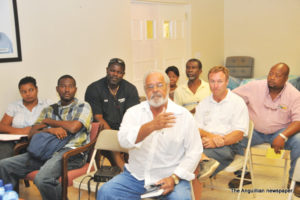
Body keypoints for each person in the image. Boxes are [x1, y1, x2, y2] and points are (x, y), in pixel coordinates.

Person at [97, 70, 203, 200]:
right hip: (136, 177)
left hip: (170, 177)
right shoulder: (133, 113)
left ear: (168, 87)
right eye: (150, 87)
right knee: (105, 192)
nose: (155, 90)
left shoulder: (183, 116)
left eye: (159, 85)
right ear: (145, 91)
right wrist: (151, 126)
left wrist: (174, 178)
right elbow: (123, 141)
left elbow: (195, 151)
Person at [0, 75, 93, 200]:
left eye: (70, 86)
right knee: (4, 165)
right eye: (63, 86)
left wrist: (50, 121)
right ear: (57, 89)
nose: (66, 89)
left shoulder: (83, 106)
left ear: (75, 89)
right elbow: (32, 133)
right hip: (45, 151)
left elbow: (73, 127)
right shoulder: (49, 109)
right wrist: (51, 130)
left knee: (43, 179)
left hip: (70, 153)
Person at [231, 63, 300, 196]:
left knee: (299, 141)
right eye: (270, 74)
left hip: (280, 132)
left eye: (278, 75)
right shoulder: (254, 86)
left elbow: (298, 120)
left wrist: (283, 136)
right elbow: (231, 98)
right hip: (254, 131)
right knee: (233, 137)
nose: (272, 78)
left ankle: (295, 180)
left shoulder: (295, 95)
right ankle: (243, 172)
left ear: (286, 79)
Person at [194, 66, 249, 179]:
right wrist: (212, 138)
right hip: (205, 142)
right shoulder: (203, 103)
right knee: (182, 154)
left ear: (227, 82)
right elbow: (196, 129)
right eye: (212, 81)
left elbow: (239, 133)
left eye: (220, 81)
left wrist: (219, 142)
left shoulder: (237, 102)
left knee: (193, 163)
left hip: (229, 145)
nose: (215, 85)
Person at [85, 58, 139, 169]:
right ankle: (124, 171)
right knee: (115, 150)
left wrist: (124, 136)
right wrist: (115, 138)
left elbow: (132, 117)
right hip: (103, 132)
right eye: (112, 70)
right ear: (107, 70)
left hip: (125, 130)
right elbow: (97, 117)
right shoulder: (94, 88)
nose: (115, 74)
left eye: (119, 72)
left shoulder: (130, 89)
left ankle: (133, 172)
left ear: (123, 74)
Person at [0, 76, 52, 160]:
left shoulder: (47, 104)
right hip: (14, 142)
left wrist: (32, 131)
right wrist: (21, 131)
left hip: (39, 141)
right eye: (23, 91)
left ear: (37, 89)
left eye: (31, 90)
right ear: (20, 93)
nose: (27, 94)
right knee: (3, 156)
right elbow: (2, 127)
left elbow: (53, 124)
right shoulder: (14, 106)